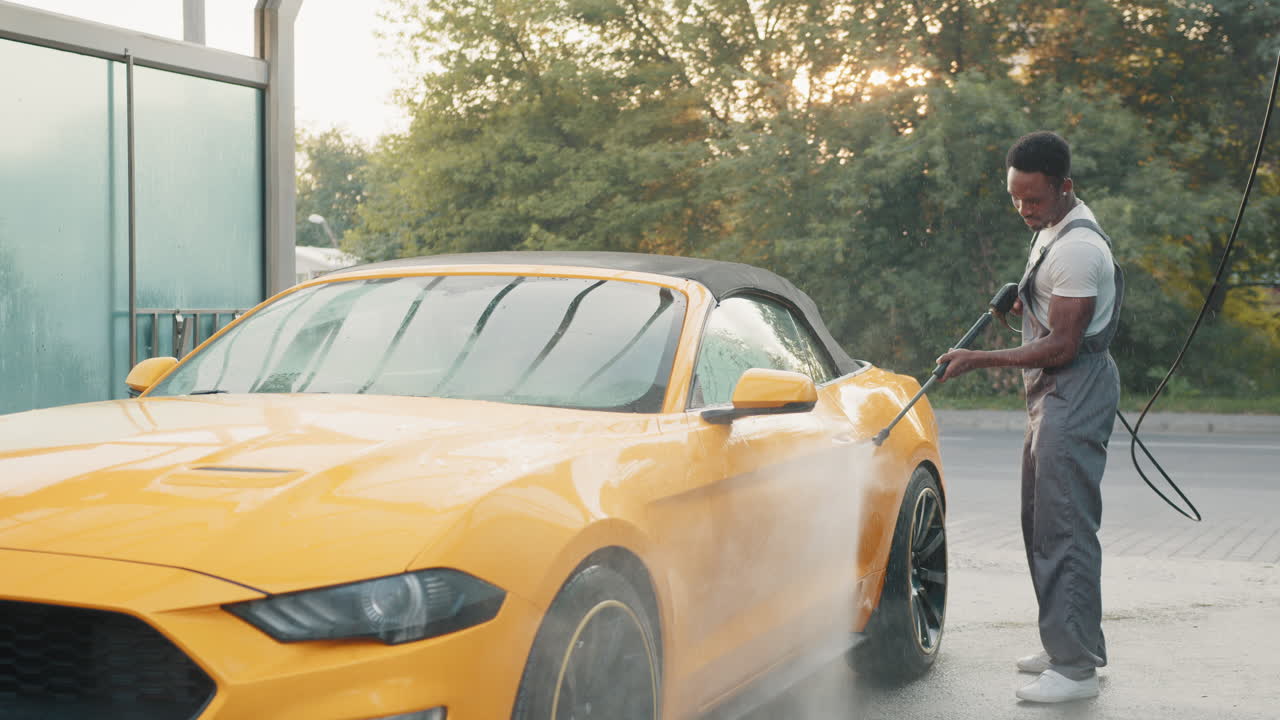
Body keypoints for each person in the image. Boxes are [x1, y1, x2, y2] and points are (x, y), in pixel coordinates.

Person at [937, 130, 1123, 703]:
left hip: (1074, 387)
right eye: (1015, 198)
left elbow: (1064, 345)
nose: (1024, 210)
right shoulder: (1052, 229)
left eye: (1034, 200)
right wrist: (1024, 297)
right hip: (1052, 392)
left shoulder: (1077, 248)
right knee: (1041, 522)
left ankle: (1074, 671)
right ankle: (1068, 641)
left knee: (1064, 528)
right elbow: (1053, 308)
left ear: (1065, 187)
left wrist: (977, 359)